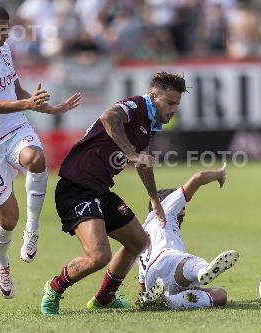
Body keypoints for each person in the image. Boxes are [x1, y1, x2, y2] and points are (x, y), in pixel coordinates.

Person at [0, 2, 81, 299]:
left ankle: (33, 231)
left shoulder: (4, 49)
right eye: (1, 32)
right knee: (8, 219)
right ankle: (1, 261)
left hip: (15, 129)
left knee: (36, 158)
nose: (6, 37)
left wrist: (50, 108)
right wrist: (27, 104)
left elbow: (15, 91)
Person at [40, 72, 187, 315]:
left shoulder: (149, 124)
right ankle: (54, 288)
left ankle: (104, 298)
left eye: (177, 104)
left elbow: (144, 162)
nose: (173, 109)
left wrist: (153, 198)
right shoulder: (134, 106)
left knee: (139, 242)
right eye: (170, 103)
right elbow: (109, 118)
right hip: (76, 188)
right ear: (153, 96)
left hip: (99, 190)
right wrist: (131, 153)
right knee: (99, 256)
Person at [137, 163, 239, 310]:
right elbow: (198, 178)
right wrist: (220, 174)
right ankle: (202, 270)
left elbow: (142, 283)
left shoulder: (140, 235)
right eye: (181, 207)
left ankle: (170, 301)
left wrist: (144, 296)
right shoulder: (166, 208)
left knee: (220, 295)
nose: (184, 212)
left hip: (155, 280)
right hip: (167, 259)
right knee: (188, 262)